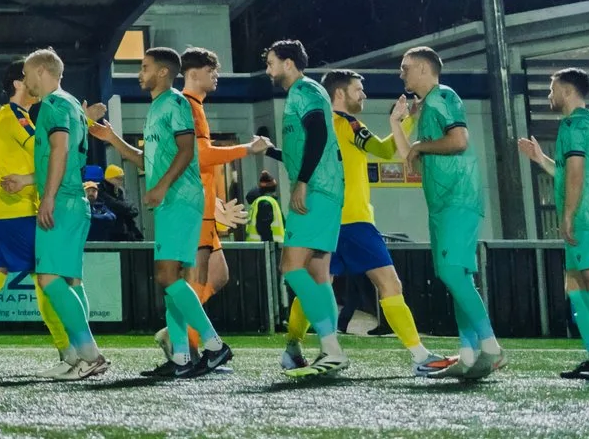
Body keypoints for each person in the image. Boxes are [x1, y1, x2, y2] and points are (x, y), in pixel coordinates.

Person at [299, 69, 453, 377]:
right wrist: (402, 119)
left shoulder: (318, 126)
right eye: (358, 90)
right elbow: (386, 151)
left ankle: (292, 348)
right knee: (389, 284)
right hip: (354, 220)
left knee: (317, 285)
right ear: (340, 94)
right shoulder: (348, 123)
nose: (363, 95)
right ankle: (421, 356)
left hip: (325, 219)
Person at [92, 46, 230, 378]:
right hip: (171, 202)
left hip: (181, 200)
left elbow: (187, 151)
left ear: (163, 72)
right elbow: (146, 162)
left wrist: (163, 186)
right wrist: (112, 139)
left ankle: (214, 346)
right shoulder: (155, 108)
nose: (139, 73)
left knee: (166, 276)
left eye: (144, 67)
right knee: (173, 281)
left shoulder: (177, 103)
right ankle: (181, 358)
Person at [0, 62, 72, 375]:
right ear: (21, 81)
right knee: (47, 278)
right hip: (15, 211)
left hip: (2, 210)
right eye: (33, 76)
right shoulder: (12, 117)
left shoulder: (13, 118)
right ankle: (70, 353)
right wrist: (77, 122)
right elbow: (49, 153)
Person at [395, 46, 505, 379]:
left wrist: (420, 145)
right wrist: (397, 124)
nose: (401, 74)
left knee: (451, 273)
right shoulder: (427, 105)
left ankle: (492, 347)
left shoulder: (443, 95)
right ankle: (469, 355)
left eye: (405, 68)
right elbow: (407, 159)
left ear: (425, 70)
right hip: (444, 203)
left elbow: (459, 140)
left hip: (458, 198)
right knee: (459, 276)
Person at [519, 67, 589, 385]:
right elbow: (570, 171)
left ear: (567, 91)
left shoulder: (573, 124)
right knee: (577, 289)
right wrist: (541, 159)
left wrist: (566, 216)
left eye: (552, 89)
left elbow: (577, 173)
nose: (549, 96)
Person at [260, 40, 350, 379]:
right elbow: (308, 145)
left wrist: (302, 182)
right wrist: (271, 151)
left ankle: (332, 348)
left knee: (290, 267)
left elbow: (318, 133)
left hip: (315, 192)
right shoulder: (303, 93)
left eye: (271, 63)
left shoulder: (304, 90)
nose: (268, 70)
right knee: (317, 274)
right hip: (324, 190)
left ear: (288, 63)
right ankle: (330, 349)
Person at [20, 49, 109, 378]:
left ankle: (90, 354)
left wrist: (48, 198)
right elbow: (67, 157)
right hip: (76, 203)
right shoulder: (72, 104)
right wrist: (30, 180)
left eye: (27, 74)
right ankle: (77, 357)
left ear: (41, 71)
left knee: (48, 280)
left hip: (62, 201)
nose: (25, 81)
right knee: (71, 281)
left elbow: (60, 149)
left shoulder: (53, 105)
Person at [177, 48, 271, 359]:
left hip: (200, 208)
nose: (217, 77)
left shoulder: (191, 106)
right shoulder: (189, 106)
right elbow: (201, 156)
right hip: (193, 210)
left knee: (217, 276)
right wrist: (247, 148)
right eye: (212, 71)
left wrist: (215, 202)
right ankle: (184, 346)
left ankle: (179, 335)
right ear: (194, 73)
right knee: (193, 282)